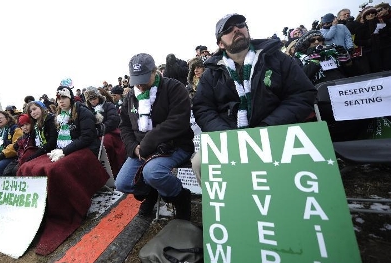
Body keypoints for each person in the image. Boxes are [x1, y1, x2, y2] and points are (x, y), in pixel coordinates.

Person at [192, 13, 317, 183]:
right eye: (228, 29)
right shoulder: (211, 74)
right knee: (199, 162)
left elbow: (302, 94)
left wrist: (268, 127)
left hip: (278, 131)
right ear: (221, 44)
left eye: (241, 24)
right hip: (230, 138)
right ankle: (227, 206)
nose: (237, 29)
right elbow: (203, 108)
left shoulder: (278, 59)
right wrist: (227, 134)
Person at [17, 86, 109, 255]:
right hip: (67, 148)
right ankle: (42, 210)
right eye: (59, 99)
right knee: (29, 166)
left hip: (86, 149)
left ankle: (72, 206)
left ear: (71, 98)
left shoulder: (82, 112)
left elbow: (87, 137)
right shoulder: (60, 115)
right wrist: (60, 150)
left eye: (64, 98)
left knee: (57, 169)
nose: (61, 101)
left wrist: (65, 151)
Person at [116, 53, 194, 220]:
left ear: (155, 72)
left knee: (153, 172)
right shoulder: (130, 96)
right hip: (141, 150)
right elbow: (125, 126)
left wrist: (147, 143)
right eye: (136, 80)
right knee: (122, 183)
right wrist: (133, 147)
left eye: (144, 78)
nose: (141, 85)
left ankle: (180, 197)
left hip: (174, 145)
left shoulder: (174, 88)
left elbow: (178, 121)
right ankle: (152, 192)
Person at [84, 86, 126, 177]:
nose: (93, 101)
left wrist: (101, 128)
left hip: (110, 132)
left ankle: (113, 171)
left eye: (94, 98)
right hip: (96, 134)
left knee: (106, 145)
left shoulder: (108, 105)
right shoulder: (87, 110)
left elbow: (114, 119)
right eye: (90, 99)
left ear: (98, 97)